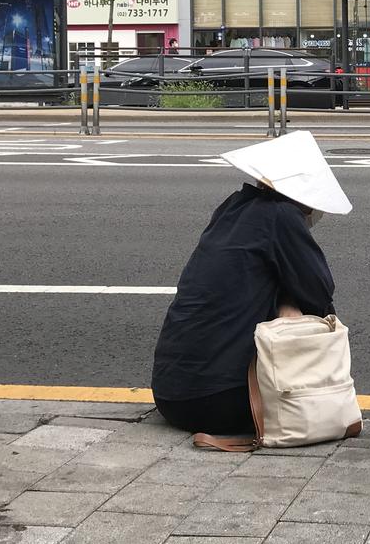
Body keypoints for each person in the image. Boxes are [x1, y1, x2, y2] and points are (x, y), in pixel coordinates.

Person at [151, 131, 353, 435]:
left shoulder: (234, 206)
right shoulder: (282, 216)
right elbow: (320, 293)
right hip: (217, 402)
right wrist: (287, 298)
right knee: (300, 306)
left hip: (170, 394)